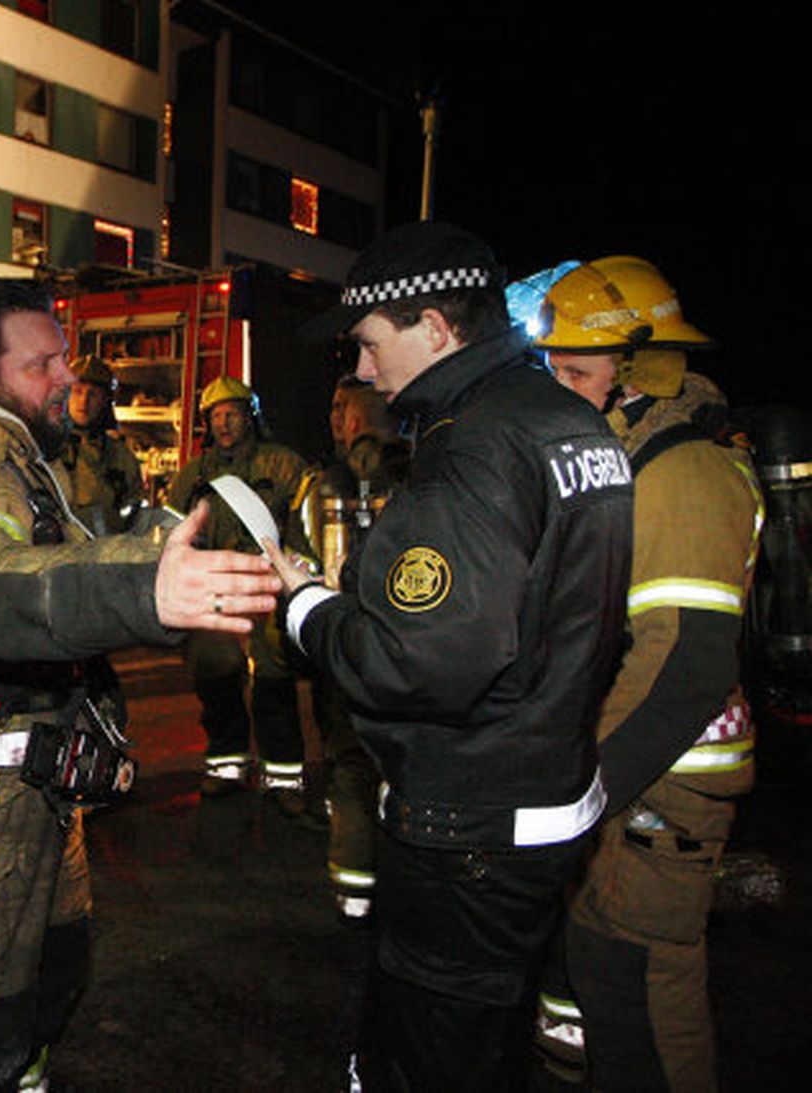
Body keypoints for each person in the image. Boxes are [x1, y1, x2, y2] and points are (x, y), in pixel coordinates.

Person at [0, 277, 280, 1090]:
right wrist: (143, 593)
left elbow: (65, 547)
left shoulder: (15, 449)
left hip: (31, 772)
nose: (65, 377)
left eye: (64, 358)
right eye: (42, 363)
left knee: (50, 962)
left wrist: (157, 556)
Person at [273, 221, 635, 1090]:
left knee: (426, 1059)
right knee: (488, 1042)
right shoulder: (566, 422)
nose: (360, 372)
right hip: (542, 798)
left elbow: (420, 660)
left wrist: (307, 608)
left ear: (435, 328)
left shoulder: (471, 448)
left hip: (468, 826)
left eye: (368, 344)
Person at [534, 257, 761, 1091]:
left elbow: (687, 668)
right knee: (609, 987)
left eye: (579, 372)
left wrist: (581, 791)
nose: (563, 390)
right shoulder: (636, 464)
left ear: (640, 370)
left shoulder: (685, 476)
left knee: (647, 1013)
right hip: (633, 794)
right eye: (552, 370)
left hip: (658, 800)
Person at [166, 376, 311, 800]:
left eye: (233, 413)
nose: (224, 423)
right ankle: (226, 763)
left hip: (268, 589)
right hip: (216, 592)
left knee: (274, 682)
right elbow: (173, 531)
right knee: (215, 679)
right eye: (216, 416)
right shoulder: (195, 475)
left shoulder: (284, 465)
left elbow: (304, 530)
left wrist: (296, 577)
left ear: (251, 417)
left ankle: (283, 777)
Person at [299, 376, 406, 920]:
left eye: (341, 410)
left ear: (357, 420)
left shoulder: (324, 482)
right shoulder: (429, 470)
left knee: (349, 763)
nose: (334, 420)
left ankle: (354, 890)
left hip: (344, 646)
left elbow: (300, 564)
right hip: (412, 647)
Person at [56, 355, 144, 536]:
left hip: (104, 556)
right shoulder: (44, 447)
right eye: (77, 391)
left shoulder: (121, 458)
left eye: (93, 394)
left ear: (105, 401)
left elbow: (134, 519)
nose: (83, 402)